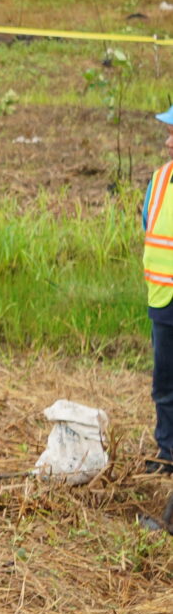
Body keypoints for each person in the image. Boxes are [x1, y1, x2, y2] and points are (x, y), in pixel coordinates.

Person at [142, 105, 173, 472]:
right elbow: (149, 226)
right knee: (164, 382)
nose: (167, 142)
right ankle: (167, 452)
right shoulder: (160, 179)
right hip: (163, 300)